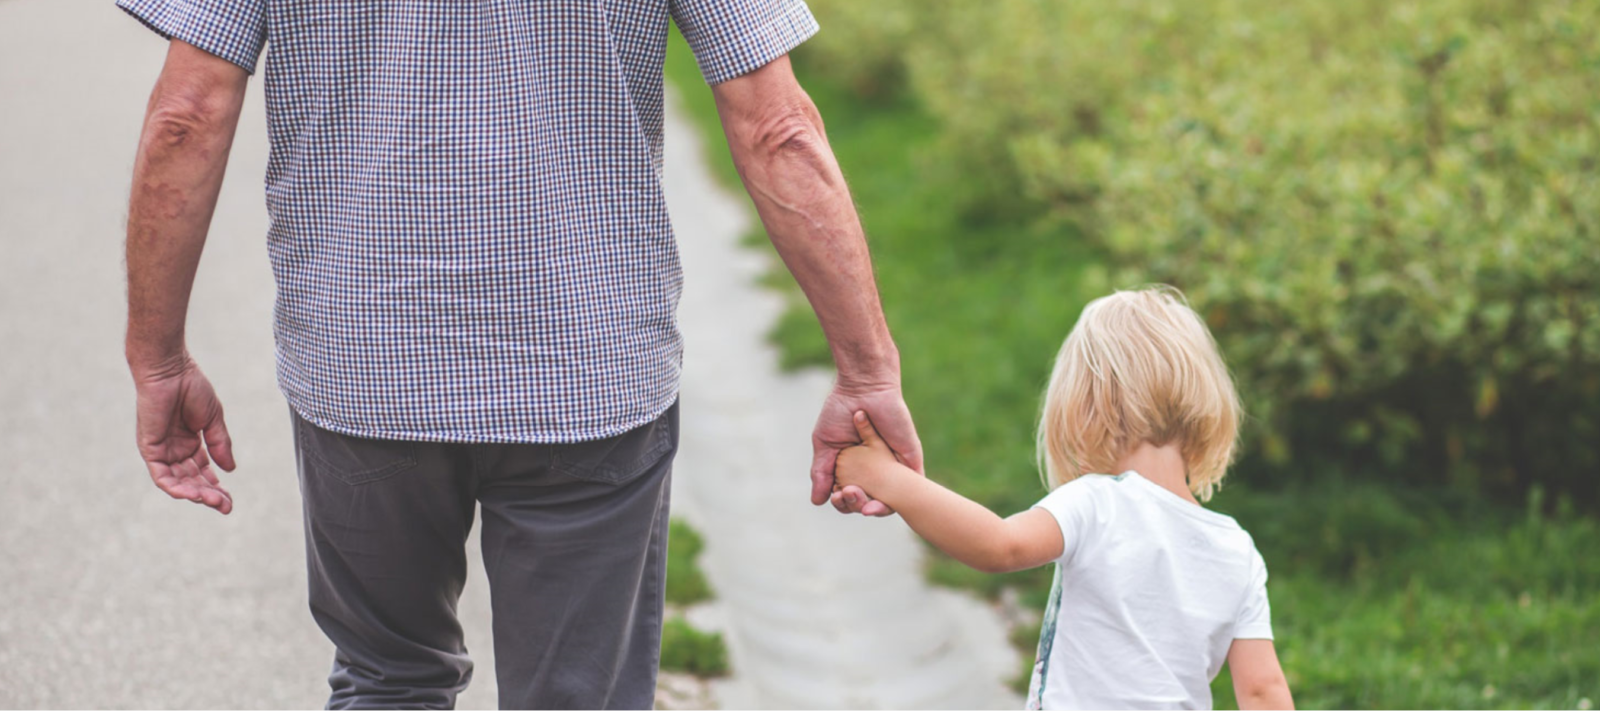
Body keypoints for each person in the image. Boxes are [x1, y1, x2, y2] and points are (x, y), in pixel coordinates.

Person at [118, 0, 920, 707]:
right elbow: (776, 126)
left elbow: (185, 116)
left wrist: (159, 359)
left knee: (387, 681)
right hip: (589, 371)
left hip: (365, 365)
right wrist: (865, 367)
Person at [834, 286, 1295, 710]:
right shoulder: (1235, 547)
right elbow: (1262, 690)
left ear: (1088, 405)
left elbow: (999, 545)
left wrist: (888, 477)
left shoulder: (1097, 502)